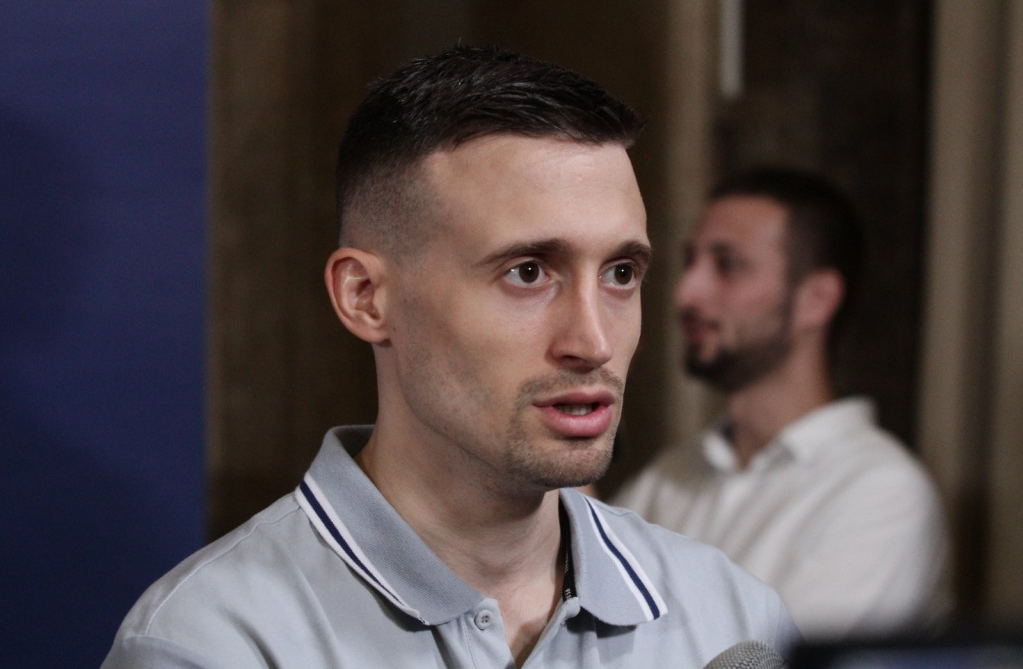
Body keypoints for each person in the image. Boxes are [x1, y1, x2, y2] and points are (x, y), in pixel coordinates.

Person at [102, 46, 797, 668]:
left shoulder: (732, 618)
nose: (593, 342)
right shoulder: (210, 645)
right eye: (528, 272)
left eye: (620, 273)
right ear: (366, 297)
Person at [613, 167, 952, 641]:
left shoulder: (882, 492)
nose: (685, 292)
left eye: (727, 265)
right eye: (691, 261)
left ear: (817, 299)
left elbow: (778, 661)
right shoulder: (670, 477)